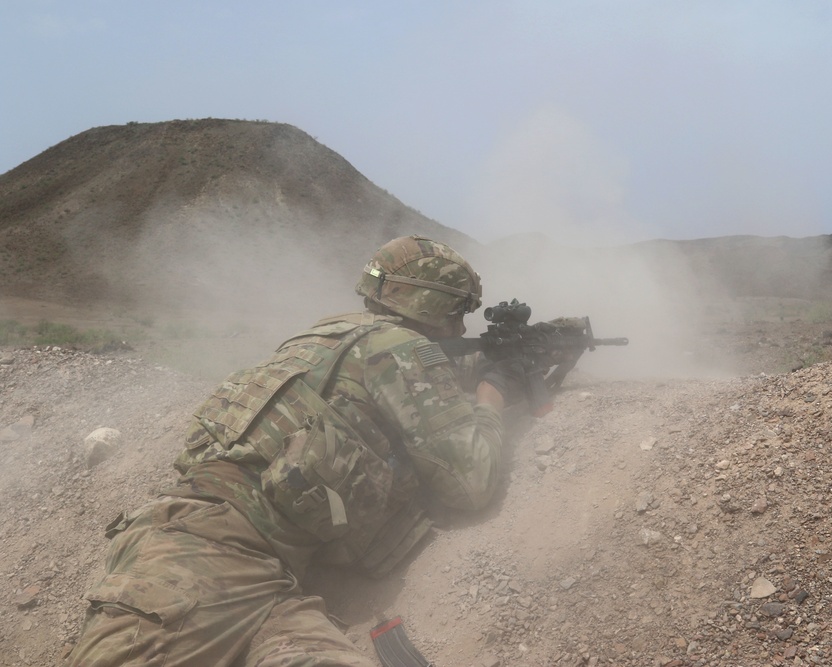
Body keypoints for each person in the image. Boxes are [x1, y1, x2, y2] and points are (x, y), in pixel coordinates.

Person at [66, 235, 525, 667]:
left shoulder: (322, 336)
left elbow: (370, 392)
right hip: (195, 563)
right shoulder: (401, 348)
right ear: (432, 303)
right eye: (458, 311)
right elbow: (471, 483)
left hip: (266, 579)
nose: (461, 326)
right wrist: (491, 396)